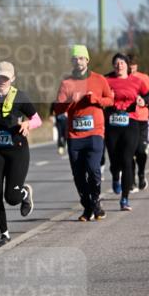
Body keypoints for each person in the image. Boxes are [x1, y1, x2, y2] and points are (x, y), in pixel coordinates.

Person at [53, 45, 114, 222]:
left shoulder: (99, 79)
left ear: (87, 60)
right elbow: (57, 109)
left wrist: (96, 100)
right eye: (75, 58)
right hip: (74, 135)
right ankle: (87, 207)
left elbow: (110, 100)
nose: (78, 61)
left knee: (94, 170)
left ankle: (95, 201)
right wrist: (67, 103)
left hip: (95, 132)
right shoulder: (66, 83)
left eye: (81, 58)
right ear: (71, 61)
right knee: (78, 174)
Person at [0, 61, 42, 248]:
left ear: (12, 79)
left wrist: (27, 124)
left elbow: (37, 119)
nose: (2, 80)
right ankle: (4, 233)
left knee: (12, 197)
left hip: (17, 152)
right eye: (0, 76)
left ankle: (24, 192)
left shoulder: (20, 97)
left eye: (6, 78)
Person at [104, 53, 146, 212]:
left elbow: (148, 95)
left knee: (127, 160)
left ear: (127, 65)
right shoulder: (106, 80)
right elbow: (99, 96)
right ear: (113, 65)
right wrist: (108, 98)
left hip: (131, 123)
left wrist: (144, 101)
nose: (119, 65)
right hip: (112, 124)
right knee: (115, 160)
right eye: (116, 63)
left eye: (122, 62)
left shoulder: (136, 81)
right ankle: (115, 176)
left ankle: (125, 198)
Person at [128, 55, 149, 191]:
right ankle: (131, 180)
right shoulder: (121, 78)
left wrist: (145, 100)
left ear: (137, 66)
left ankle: (141, 174)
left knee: (140, 150)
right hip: (127, 120)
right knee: (129, 151)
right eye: (129, 65)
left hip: (142, 119)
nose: (131, 68)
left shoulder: (144, 78)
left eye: (133, 65)